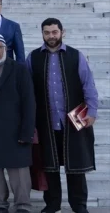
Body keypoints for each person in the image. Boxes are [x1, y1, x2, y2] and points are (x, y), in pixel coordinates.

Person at [26, 18, 97, 213]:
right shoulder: (33, 58)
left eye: (54, 32)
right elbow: (28, 90)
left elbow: (88, 85)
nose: (51, 36)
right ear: (42, 34)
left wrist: (92, 111)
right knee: (49, 167)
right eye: (47, 32)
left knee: (76, 168)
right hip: (46, 122)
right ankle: (53, 204)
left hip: (75, 121)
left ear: (62, 32)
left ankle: (79, 205)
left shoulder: (76, 56)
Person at [0, 34, 35, 213]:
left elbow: (29, 102)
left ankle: (23, 206)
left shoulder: (19, 69)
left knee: (18, 171)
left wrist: (27, 132)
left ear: (5, 49)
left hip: (14, 130)